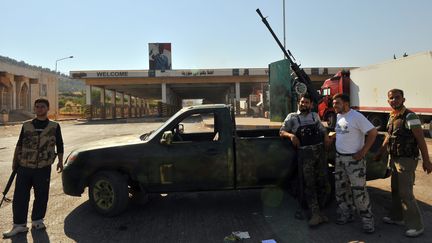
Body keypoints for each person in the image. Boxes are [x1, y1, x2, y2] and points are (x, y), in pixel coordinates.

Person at [3, 98, 64, 238]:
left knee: (42, 195)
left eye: (42, 107)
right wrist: (15, 162)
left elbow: (60, 144)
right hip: (24, 166)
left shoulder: (54, 126)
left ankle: (37, 220)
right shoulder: (26, 125)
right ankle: (19, 225)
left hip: (43, 167)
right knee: (20, 197)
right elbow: (19, 144)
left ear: (47, 108)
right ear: (34, 109)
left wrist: (60, 161)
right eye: (37, 107)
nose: (39, 109)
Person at [374, 89, 432, 238]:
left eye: (397, 98)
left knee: (406, 193)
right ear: (388, 101)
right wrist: (380, 152)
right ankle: (397, 217)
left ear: (403, 99)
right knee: (395, 189)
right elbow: (389, 136)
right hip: (395, 158)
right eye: (391, 98)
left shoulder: (410, 116)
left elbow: (420, 140)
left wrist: (426, 160)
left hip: (406, 160)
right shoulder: (392, 116)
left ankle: (416, 225)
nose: (394, 100)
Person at [280, 93, 332, 227]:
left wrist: (326, 137)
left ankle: (320, 212)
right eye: (302, 102)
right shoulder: (292, 117)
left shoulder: (314, 116)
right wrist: (291, 135)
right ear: (299, 102)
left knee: (324, 184)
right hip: (305, 155)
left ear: (311, 104)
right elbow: (281, 131)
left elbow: (321, 129)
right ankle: (315, 214)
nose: (304, 104)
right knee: (310, 184)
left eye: (307, 102)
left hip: (320, 153)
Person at [332, 93, 377, 233]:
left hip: (354, 161)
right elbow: (341, 131)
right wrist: (331, 137)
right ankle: (346, 215)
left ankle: (368, 222)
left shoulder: (356, 116)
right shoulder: (339, 116)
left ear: (345, 103)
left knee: (359, 192)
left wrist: (363, 152)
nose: (334, 106)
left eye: (337, 103)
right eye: (334, 103)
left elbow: (373, 132)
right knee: (341, 190)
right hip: (340, 159)